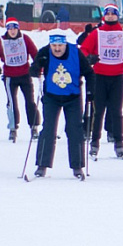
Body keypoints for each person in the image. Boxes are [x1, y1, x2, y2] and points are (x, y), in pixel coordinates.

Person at [29, 31, 95, 180]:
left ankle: (77, 167)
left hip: (72, 97)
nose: (57, 49)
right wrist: (35, 69)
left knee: (74, 130)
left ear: (65, 44)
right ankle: (42, 165)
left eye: (60, 45)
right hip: (51, 97)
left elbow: (89, 73)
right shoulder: (45, 52)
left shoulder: (76, 53)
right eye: (54, 45)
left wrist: (90, 92)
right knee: (48, 129)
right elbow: (34, 67)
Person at [80, 4, 123, 159]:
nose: (110, 16)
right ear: (104, 16)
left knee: (116, 111)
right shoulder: (97, 33)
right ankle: (95, 143)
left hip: (117, 77)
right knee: (98, 111)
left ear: (117, 16)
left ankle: (119, 143)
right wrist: (89, 58)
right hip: (99, 76)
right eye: (108, 14)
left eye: (113, 14)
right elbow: (83, 50)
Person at [0, 18, 40, 142]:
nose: (12, 31)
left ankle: (34, 126)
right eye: (10, 29)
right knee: (11, 103)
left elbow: (35, 54)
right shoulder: (1, 41)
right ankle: (13, 128)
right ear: (7, 30)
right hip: (9, 76)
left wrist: (37, 67)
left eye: (14, 28)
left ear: (18, 28)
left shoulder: (25, 39)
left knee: (30, 101)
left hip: (25, 74)